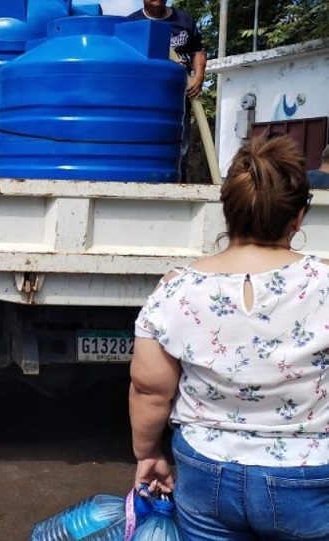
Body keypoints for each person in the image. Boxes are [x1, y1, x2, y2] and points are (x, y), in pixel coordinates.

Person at [130, 134, 329, 540]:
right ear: (298, 217)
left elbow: (150, 390)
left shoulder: (176, 290)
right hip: (311, 474)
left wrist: (148, 454)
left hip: (206, 470)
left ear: (227, 211)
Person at [130, 0, 207, 182]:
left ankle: (176, 186)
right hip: (145, 101)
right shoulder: (132, 25)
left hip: (179, 99)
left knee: (180, 147)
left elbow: (198, 50)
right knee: (143, 142)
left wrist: (198, 76)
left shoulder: (184, 20)